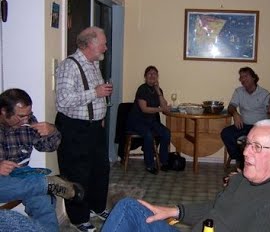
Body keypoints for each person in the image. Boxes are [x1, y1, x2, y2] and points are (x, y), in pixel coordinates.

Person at [101, 119, 270, 232]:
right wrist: (173, 211)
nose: (245, 152)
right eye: (247, 143)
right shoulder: (246, 179)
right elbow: (217, 207)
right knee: (129, 207)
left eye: (257, 147)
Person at [0, 88, 84, 232]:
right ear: (3, 111)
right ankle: (47, 183)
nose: (26, 119)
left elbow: (47, 147)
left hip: (22, 174)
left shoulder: (28, 121)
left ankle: (45, 185)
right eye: (21, 116)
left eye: (29, 115)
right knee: (39, 188)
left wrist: (52, 131)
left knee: (43, 202)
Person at [55, 26, 112, 231]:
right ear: (90, 44)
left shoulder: (94, 64)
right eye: (103, 43)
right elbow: (63, 100)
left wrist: (101, 115)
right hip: (75, 129)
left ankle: (96, 207)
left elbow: (94, 97)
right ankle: (79, 218)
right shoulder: (69, 66)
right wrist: (94, 93)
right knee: (77, 173)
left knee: (100, 169)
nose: (106, 47)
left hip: (95, 127)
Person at [221, 67, 270, 167]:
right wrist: (235, 114)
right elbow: (231, 106)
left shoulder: (264, 94)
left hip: (259, 127)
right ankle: (241, 159)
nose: (243, 79)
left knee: (255, 140)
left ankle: (248, 161)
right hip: (243, 125)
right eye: (241, 77)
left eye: (246, 76)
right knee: (226, 133)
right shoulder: (239, 91)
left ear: (253, 78)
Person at [126, 66, 171, 175]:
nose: (152, 76)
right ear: (145, 76)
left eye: (154, 74)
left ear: (157, 77)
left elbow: (164, 105)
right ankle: (149, 165)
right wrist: (161, 109)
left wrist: (158, 91)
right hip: (137, 121)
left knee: (166, 133)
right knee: (149, 135)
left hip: (150, 120)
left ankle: (163, 162)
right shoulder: (142, 89)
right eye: (149, 74)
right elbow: (144, 109)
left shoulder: (158, 90)